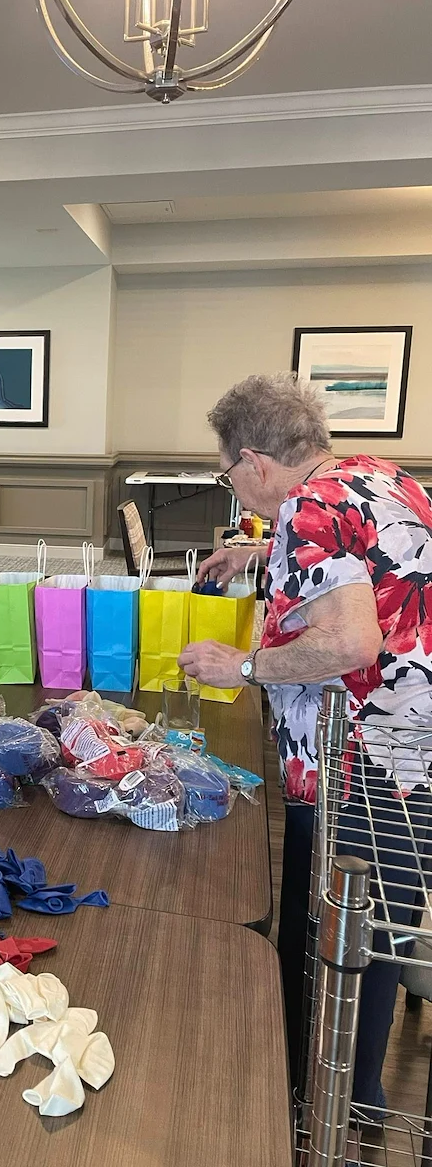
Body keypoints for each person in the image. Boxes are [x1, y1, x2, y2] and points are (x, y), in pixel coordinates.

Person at [179, 373, 432, 1112]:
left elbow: (351, 640)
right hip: (411, 746)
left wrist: (243, 666)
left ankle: (336, 1103)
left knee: (352, 936)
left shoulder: (307, 507)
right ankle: (343, 1087)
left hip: (360, 757)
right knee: (382, 916)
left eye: (228, 474)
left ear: (254, 461)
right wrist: (255, 557)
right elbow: (376, 567)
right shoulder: (378, 477)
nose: (237, 490)